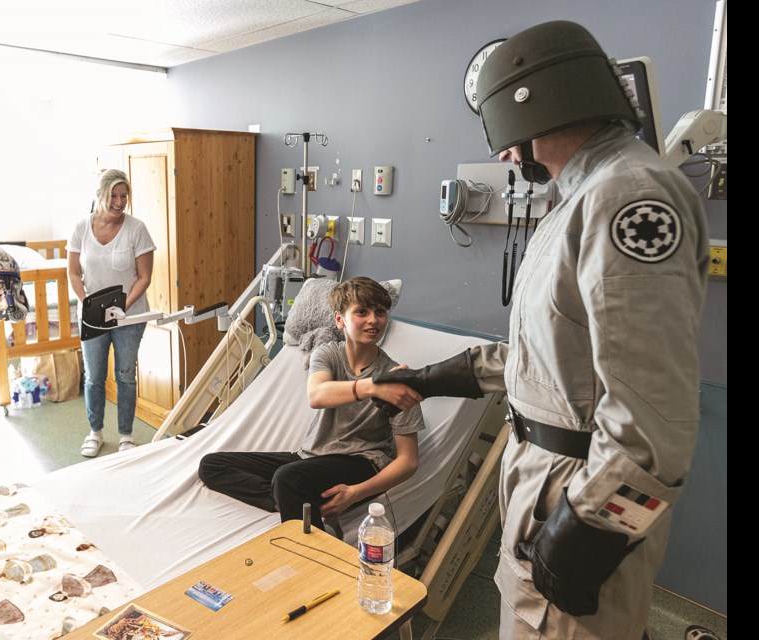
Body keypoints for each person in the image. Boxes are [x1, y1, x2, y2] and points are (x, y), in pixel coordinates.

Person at [373, 21, 709, 639]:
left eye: (501, 131)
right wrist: (439, 376)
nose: (502, 153)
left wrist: (589, 531)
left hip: (579, 484)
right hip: (547, 473)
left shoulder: (625, 196)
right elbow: (554, 352)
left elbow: (653, 422)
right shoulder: (578, 196)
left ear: (538, 107)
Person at [198, 276, 426, 533]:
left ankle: (310, 548)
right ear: (339, 320)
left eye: (380, 312)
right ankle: (286, 501)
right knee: (211, 465)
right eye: (362, 312)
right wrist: (373, 386)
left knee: (287, 478)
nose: (373, 320)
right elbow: (317, 395)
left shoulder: (397, 379)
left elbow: (408, 461)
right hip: (310, 457)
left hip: (361, 462)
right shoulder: (327, 353)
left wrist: (355, 493)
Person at [68, 169, 156, 457]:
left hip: (127, 316)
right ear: (100, 196)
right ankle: (95, 432)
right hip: (92, 316)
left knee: (125, 375)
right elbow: (73, 271)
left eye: (124, 196)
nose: (119, 202)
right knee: (93, 377)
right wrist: (87, 304)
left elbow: (144, 277)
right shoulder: (82, 227)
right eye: (113, 196)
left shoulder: (137, 229)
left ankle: (126, 435)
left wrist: (122, 308)